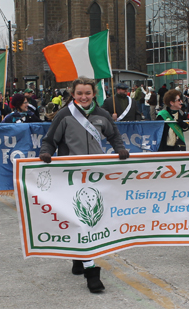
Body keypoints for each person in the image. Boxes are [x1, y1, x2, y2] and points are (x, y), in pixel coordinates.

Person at [39, 76, 129, 293]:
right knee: (82, 219)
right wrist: (46, 153)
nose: (84, 97)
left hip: (96, 175)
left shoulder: (102, 115)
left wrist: (120, 149)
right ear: (73, 93)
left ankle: (78, 257)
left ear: (94, 93)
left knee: (92, 219)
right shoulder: (65, 115)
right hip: (72, 175)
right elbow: (50, 140)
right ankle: (91, 272)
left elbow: (114, 136)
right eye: (79, 93)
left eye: (87, 93)